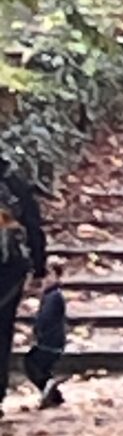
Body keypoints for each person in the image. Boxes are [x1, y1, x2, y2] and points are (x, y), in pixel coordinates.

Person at [0, 163, 48, 413]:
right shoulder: (10, 178)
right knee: (2, 329)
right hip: (10, 269)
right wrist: (39, 266)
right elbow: (32, 221)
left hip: (10, 266)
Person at [23, 256, 69, 408]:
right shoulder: (51, 295)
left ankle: (50, 388)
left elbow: (45, 318)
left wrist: (36, 331)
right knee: (37, 365)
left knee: (32, 364)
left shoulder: (53, 296)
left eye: (47, 274)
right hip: (50, 339)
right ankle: (54, 395)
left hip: (50, 340)